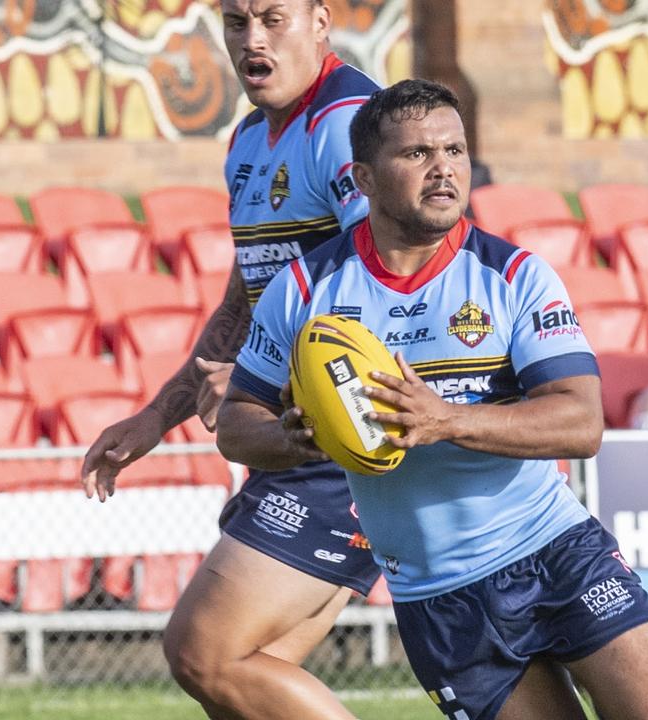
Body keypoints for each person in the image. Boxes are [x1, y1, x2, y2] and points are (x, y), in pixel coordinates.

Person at [218, 79, 648, 720]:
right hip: (440, 598)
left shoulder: (513, 275)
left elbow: (582, 422)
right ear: (362, 177)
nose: (443, 167)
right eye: (417, 154)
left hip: (555, 553)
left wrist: (443, 420)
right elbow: (234, 423)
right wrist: (297, 437)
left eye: (454, 149)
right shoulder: (306, 287)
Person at [79, 2, 381, 717]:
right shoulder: (248, 139)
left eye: (273, 19)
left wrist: (275, 380)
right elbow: (245, 299)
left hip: (340, 434)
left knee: (203, 651)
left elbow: (389, 277)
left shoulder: (346, 123)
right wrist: (159, 414)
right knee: (251, 680)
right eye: (237, 20)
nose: (253, 39)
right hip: (294, 435)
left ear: (319, 22)